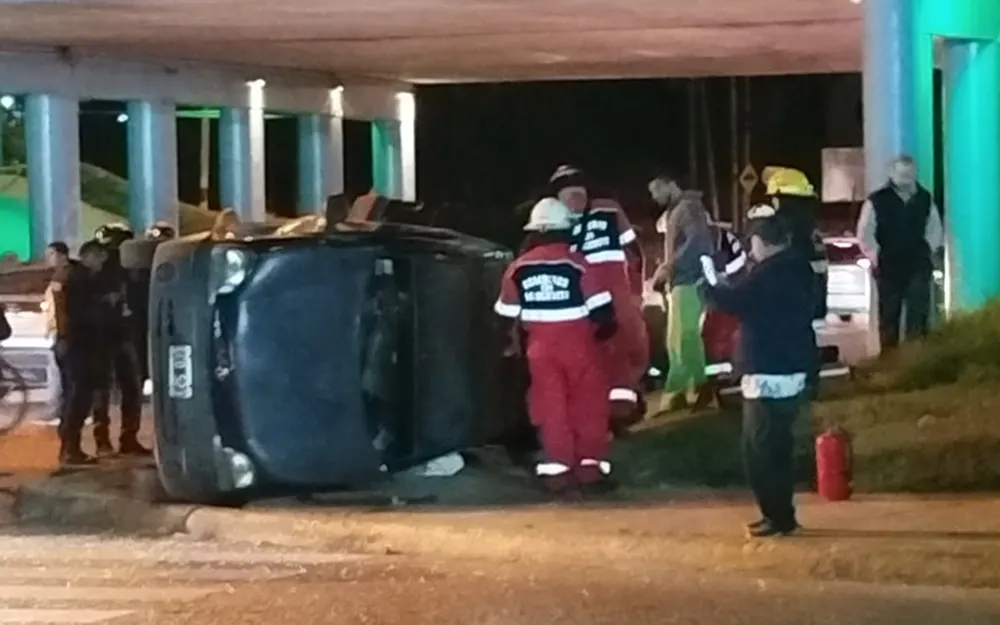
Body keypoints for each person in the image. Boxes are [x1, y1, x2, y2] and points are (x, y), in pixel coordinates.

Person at [698, 205, 815, 538]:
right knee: (778, 446)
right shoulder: (798, 269)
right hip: (791, 368)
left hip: (767, 372)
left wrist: (709, 285)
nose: (751, 250)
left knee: (759, 451)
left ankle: (775, 516)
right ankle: (783, 514)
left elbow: (732, 302)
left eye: (753, 243)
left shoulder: (769, 274)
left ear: (763, 242)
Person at [494, 197, 617, 496]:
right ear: (565, 229)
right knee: (587, 406)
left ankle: (558, 474)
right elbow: (604, 315)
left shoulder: (517, 268)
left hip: (540, 350)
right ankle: (589, 471)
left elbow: (503, 316)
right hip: (580, 347)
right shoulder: (579, 264)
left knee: (551, 408)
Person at [548, 165, 648, 431]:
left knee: (604, 354)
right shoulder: (609, 209)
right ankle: (619, 412)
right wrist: (637, 292)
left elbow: (632, 251)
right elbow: (634, 251)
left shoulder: (564, 218)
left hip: (595, 300)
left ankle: (611, 413)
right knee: (620, 353)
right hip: (615, 297)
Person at [856, 155, 944, 351]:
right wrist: (876, 256)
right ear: (892, 174)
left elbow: (934, 229)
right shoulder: (877, 200)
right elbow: (865, 232)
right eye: (902, 173)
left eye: (909, 173)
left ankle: (915, 359)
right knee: (889, 315)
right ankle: (890, 360)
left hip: (917, 264)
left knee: (918, 315)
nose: (906, 177)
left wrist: (926, 251)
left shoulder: (924, 198)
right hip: (888, 265)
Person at [648, 172, 713, 411]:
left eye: (656, 190)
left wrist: (668, 267)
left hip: (688, 281)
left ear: (670, 184)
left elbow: (697, 242)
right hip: (684, 281)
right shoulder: (683, 209)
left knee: (681, 338)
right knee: (683, 337)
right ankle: (695, 388)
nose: (654, 197)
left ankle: (681, 390)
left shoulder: (686, 209)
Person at [51, 240, 112, 466]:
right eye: (100, 258)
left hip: (70, 344)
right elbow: (84, 314)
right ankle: (70, 449)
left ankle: (69, 447)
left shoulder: (69, 276)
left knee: (73, 396)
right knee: (79, 397)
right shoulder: (82, 280)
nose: (102, 264)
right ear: (91, 256)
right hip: (81, 346)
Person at [91, 223, 149, 456]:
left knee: (129, 388)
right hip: (107, 335)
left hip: (124, 334)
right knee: (105, 389)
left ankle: (124, 437)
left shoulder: (130, 270)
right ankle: (107, 438)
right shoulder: (96, 273)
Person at [43, 241, 73, 425]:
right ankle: (59, 410)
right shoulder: (60, 275)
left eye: (50, 254)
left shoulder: (63, 276)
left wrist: (57, 331)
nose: (48, 258)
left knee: (60, 374)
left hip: (61, 333)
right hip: (59, 332)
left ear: (60, 255)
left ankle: (59, 411)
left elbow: (59, 308)